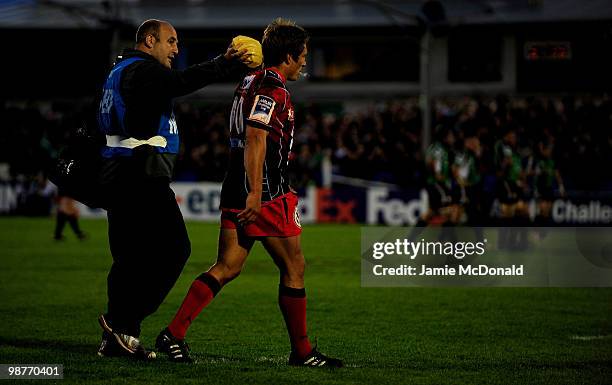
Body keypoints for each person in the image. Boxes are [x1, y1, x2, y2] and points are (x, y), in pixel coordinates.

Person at [155, 18, 343, 368]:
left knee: (227, 266)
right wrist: (256, 194)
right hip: (266, 190)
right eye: (302, 55)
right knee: (294, 266)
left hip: (234, 184)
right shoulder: (273, 89)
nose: (305, 61)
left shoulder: (248, 81)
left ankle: (173, 333)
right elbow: (256, 138)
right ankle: (302, 352)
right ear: (288, 56)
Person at [95, 19, 252, 359]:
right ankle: (122, 322)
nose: (176, 49)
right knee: (175, 249)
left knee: (128, 259)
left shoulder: (119, 71)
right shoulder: (142, 70)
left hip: (119, 173)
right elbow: (182, 81)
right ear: (149, 41)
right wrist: (225, 62)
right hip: (140, 175)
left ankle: (119, 336)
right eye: (171, 41)